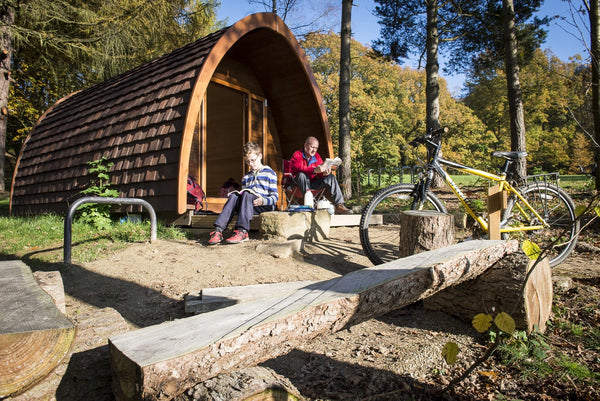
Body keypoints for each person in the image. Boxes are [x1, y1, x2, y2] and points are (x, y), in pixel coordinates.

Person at [208, 142, 279, 245]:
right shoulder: (246, 177)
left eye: (253, 160)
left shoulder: (270, 173)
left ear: (260, 156)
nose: (250, 164)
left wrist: (262, 201)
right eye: (247, 162)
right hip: (249, 205)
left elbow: (275, 197)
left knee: (246, 193)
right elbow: (244, 196)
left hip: (263, 205)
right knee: (234, 195)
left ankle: (242, 231)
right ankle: (218, 231)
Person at [289, 136, 352, 214]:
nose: (314, 150)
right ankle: (309, 203)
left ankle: (339, 205)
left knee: (330, 177)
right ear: (305, 145)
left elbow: (320, 171)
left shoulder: (317, 157)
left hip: (313, 183)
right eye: (312, 147)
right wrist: (314, 170)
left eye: (316, 148)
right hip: (297, 185)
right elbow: (299, 168)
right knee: (301, 175)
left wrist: (324, 173)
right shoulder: (297, 155)